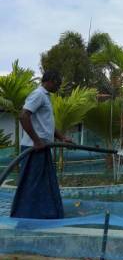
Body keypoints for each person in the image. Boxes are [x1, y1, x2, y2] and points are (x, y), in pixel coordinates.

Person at [10, 70, 72, 219]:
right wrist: (37, 141)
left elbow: (46, 124)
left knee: (44, 183)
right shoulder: (38, 94)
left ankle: (44, 214)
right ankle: (26, 216)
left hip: (42, 147)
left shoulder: (45, 97)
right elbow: (23, 116)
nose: (58, 87)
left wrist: (62, 137)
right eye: (58, 83)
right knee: (33, 183)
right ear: (50, 81)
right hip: (34, 148)